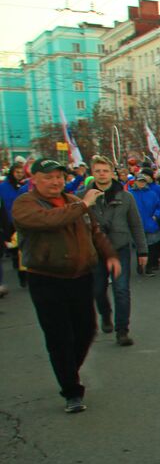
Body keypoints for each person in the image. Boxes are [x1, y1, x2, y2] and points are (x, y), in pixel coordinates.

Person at [11, 159, 120, 413]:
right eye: (48, 177)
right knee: (59, 336)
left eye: (59, 176)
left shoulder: (72, 200)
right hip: (47, 279)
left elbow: (95, 232)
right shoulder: (25, 204)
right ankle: (71, 390)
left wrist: (110, 255)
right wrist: (83, 205)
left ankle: (68, 369)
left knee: (86, 330)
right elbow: (50, 221)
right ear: (34, 179)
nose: (55, 182)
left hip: (80, 277)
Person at [86, 156, 147, 346]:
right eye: (98, 171)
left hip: (120, 247)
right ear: (92, 173)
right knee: (97, 289)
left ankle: (122, 330)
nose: (102, 174)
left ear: (112, 173)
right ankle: (105, 315)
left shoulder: (125, 196)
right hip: (96, 250)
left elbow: (136, 224)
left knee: (121, 289)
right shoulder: (84, 196)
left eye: (105, 171)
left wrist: (142, 251)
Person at [130, 171, 160, 275]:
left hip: (150, 224)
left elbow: (158, 207)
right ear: (135, 182)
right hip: (137, 225)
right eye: (140, 181)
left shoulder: (152, 194)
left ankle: (149, 267)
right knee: (140, 247)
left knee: (151, 247)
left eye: (143, 182)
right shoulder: (130, 194)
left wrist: (156, 215)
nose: (142, 183)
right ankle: (140, 266)